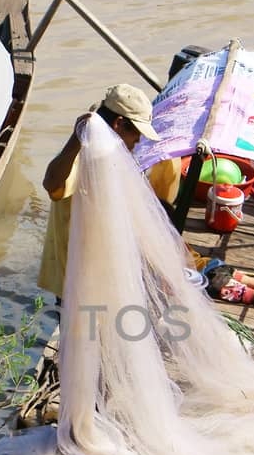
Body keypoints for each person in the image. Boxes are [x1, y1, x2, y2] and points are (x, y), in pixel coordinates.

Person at [38, 84, 168, 298]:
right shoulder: (83, 155)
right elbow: (51, 183)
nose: (138, 140)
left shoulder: (112, 153)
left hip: (100, 268)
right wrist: (76, 137)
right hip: (75, 273)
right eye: (136, 132)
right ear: (119, 124)